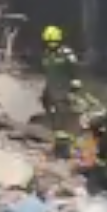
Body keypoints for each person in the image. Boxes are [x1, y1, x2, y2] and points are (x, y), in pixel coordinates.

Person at [40, 25, 78, 159]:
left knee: (61, 124)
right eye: (49, 43)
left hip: (63, 93)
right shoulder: (47, 54)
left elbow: (75, 73)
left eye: (53, 43)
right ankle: (59, 148)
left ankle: (63, 151)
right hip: (51, 92)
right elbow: (48, 75)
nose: (51, 45)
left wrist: (73, 91)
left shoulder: (67, 53)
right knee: (56, 123)